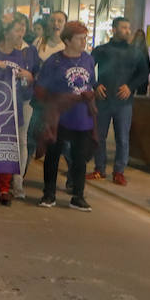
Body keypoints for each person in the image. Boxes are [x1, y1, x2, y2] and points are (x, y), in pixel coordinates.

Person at [35, 21, 97, 211]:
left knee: (79, 158)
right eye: (79, 38)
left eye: (85, 38)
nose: (83, 42)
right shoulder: (54, 61)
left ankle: (78, 195)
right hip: (60, 116)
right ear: (68, 40)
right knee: (53, 155)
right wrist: (53, 104)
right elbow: (41, 88)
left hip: (82, 116)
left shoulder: (88, 60)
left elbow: (91, 83)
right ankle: (49, 193)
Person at [0, 13, 37, 204]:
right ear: (5, 31)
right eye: (17, 29)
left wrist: (28, 76)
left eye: (22, 29)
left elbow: (30, 81)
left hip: (13, 107)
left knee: (8, 149)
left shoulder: (22, 54)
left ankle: (4, 188)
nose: (22, 33)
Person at [88, 17, 149, 186]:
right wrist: (95, 85)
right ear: (114, 29)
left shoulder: (135, 52)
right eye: (124, 27)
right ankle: (99, 169)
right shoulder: (101, 50)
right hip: (103, 100)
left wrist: (131, 87)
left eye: (129, 28)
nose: (128, 31)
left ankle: (119, 171)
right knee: (99, 136)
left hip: (124, 103)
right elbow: (87, 69)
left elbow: (144, 73)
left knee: (122, 138)